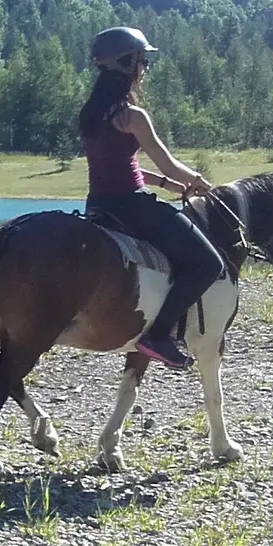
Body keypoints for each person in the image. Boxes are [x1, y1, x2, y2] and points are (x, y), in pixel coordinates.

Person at [81, 26, 225, 370]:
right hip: (133, 208)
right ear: (128, 63)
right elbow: (169, 162)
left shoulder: (90, 114)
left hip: (98, 205)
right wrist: (196, 181)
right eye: (143, 61)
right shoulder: (132, 116)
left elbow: (120, 167)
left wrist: (165, 184)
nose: (145, 68)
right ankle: (158, 335)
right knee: (210, 264)